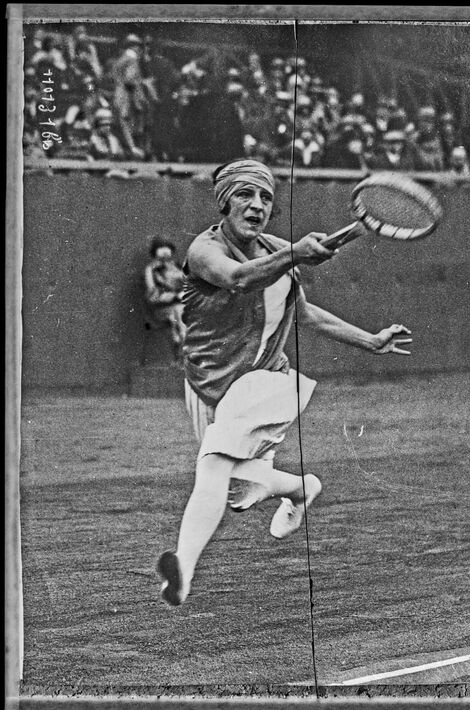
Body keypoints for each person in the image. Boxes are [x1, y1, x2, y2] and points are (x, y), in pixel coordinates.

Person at [156, 159, 412, 607]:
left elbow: (305, 312)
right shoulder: (204, 250)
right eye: (245, 195)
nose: (257, 205)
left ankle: (182, 569)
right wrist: (294, 253)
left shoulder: (277, 249)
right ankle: (302, 487)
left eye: (266, 197)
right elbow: (236, 279)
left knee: (214, 465)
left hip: (267, 381)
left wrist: (370, 340)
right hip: (207, 383)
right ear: (224, 201)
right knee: (238, 489)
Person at [143, 238, 186, 354]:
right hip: (161, 308)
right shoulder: (151, 269)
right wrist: (174, 296)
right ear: (155, 251)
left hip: (183, 304)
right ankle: (184, 344)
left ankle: (184, 343)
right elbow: (153, 295)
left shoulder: (177, 266)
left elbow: (189, 283)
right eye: (161, 248)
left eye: (167, 247)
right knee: (179, 311)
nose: (165, 251)